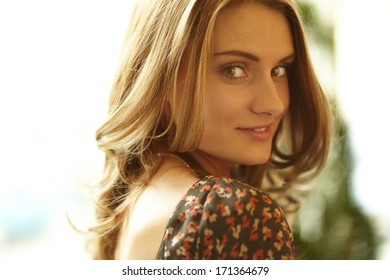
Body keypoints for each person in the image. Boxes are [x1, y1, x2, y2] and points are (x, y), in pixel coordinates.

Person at [88, 0, 331, 260]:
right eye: (234, 70)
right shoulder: (228, 215)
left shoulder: (137, 199)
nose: (274, 104)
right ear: (161, 77)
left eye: (279, 70)